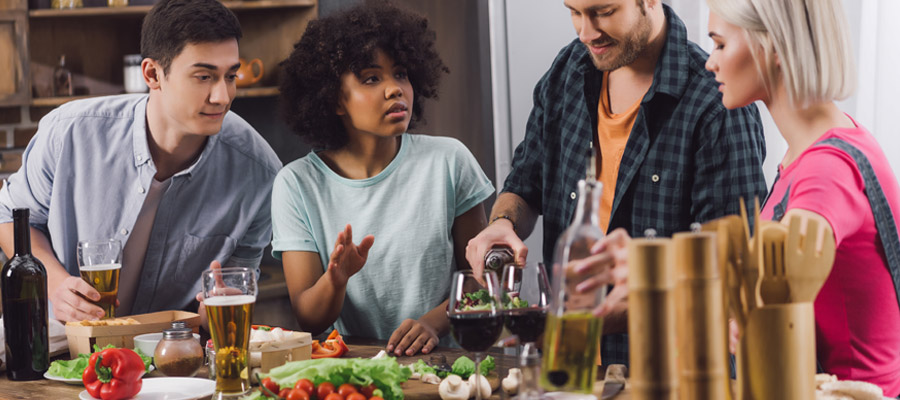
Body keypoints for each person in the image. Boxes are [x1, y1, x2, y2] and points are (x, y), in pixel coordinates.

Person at [466, 0, 768, 366]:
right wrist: (503, 224)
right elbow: (525, 184)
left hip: (668, 374)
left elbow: (730, 272)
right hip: (568, 368)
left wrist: (587, 323)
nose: (586, 32)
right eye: (574, 12)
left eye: (603, 12)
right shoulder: (567, 70)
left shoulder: (716, 102)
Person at [0, 0, 281, 325]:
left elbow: (234, 284)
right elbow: (9, 217)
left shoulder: (259, 174)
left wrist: (218, 309)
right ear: (152, 74)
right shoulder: (70, 133)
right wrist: (57, 285)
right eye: (204, 76)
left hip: (171, 361)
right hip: (57, 350)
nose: (222, 96)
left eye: (230, 76)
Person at [272, 1, 494, 356]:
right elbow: (308, 317)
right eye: (372, 78)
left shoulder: (449, 161)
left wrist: (433, 323)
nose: (395, 89)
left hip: (447, 366)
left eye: (401, 73)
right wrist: (336, 279)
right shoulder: (296, 184)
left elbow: (483, 280)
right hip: (354, 370)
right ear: (334, 99)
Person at [706, 0, 900, 394]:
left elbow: (783, 277)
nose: (710, 62)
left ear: (774, 46)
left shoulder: (825, 170)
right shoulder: (823, 144)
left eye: (721, 45)